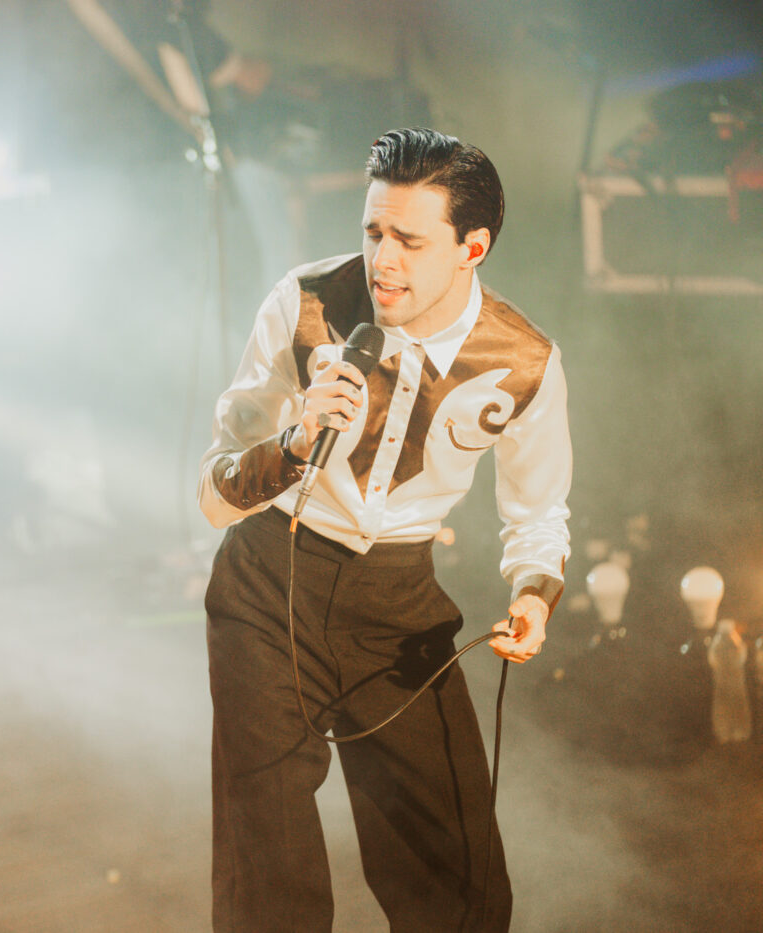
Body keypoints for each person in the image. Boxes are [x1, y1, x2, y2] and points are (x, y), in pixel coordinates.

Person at [197, 127, 572, 932]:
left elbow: (539, 512)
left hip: (397, 602)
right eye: (373, 232)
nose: (382, 259)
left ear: (473, 247)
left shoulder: (525, 360)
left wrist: (533, 595)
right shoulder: (304, 303)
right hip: (269, 583)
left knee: (460, 881)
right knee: (269, 874)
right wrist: (294, 442)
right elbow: (216, 493)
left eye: (409, 239)